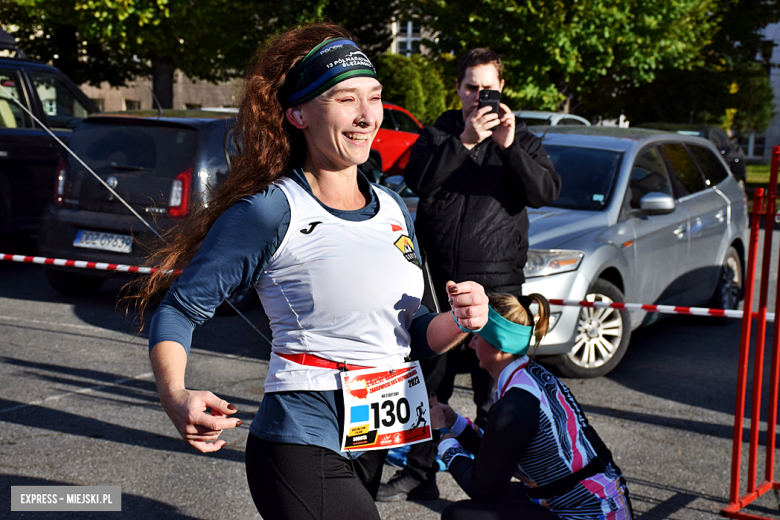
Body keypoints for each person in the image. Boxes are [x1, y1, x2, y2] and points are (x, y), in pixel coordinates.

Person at [134, 23, 490, 520]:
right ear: (297, 113)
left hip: (371, 443)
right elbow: (179, 309)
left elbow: (413, 335)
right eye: (346, 99)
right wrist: (175, 396)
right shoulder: (272, 210)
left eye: (375, 97)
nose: (367, 116)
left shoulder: (392, 207)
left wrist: (462, 319)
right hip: (299, 443)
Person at [377, 48, 561, 501]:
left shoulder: (522, 140)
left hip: (498, 283)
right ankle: (421, 472)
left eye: (488, 88)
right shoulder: (440, 132)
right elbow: (418, 179)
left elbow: (544, 192)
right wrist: (463, 141)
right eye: (471, 87)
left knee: (492, 390)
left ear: (502, 89)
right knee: (426, 381)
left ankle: (491, 482)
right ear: (458, 90)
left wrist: (508, 147)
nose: (480, 96)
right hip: (438, 279)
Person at [430, 293, 633, 520]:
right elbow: (498, 452)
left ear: (499, 345)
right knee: (499, 498)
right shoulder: (529, 377)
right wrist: (454, 423)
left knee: (458, 515)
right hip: (602, 503)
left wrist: (441, 435)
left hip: (591, 514)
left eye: (477, 336)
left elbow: (482, 488)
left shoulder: (515, 404)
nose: (471, 344)